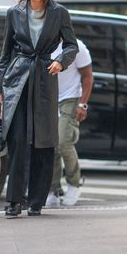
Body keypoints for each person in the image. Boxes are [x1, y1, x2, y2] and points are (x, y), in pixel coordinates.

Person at [0, 0, 78, 218]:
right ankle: (14, 201)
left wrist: (61, 60)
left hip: (44, 77)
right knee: (17, 139)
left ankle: (37, 200)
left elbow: (71, 45)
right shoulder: (14, 13)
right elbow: (5, 53)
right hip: (17, 79)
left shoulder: (60, 13)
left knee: (43, 140)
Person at [46, 39, 93, 207]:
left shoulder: (76, 46)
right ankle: (53, 190)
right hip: (49, 99)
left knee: (63, 143)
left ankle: (74, 183)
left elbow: (87, 77)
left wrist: (83, 104)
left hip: (70, 98)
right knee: (50, 146)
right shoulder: (43, 43)